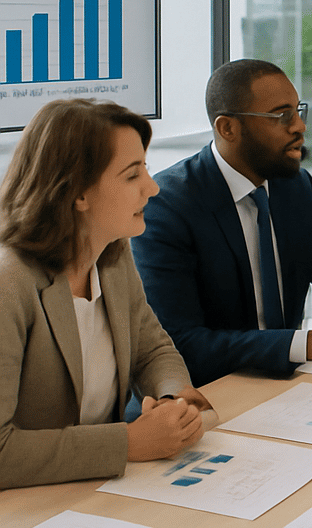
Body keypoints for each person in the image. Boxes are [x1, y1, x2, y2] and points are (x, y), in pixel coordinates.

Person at [132, 59, 312, 388]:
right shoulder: (167, 206)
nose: (300, 127)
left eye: (298, 111)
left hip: (288, 387)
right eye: (281, 116)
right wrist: (309, 344)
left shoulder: (295, 186)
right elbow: (180, 344)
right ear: (227, 128)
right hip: (209, 394)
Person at [0, 99, 211, 490]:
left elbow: (153, 351)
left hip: (94, 492)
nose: (153, 186)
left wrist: (170, 401)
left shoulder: (111, 254)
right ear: (78, 193)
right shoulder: (8, 284)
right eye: (133, 175)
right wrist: (128, 442)